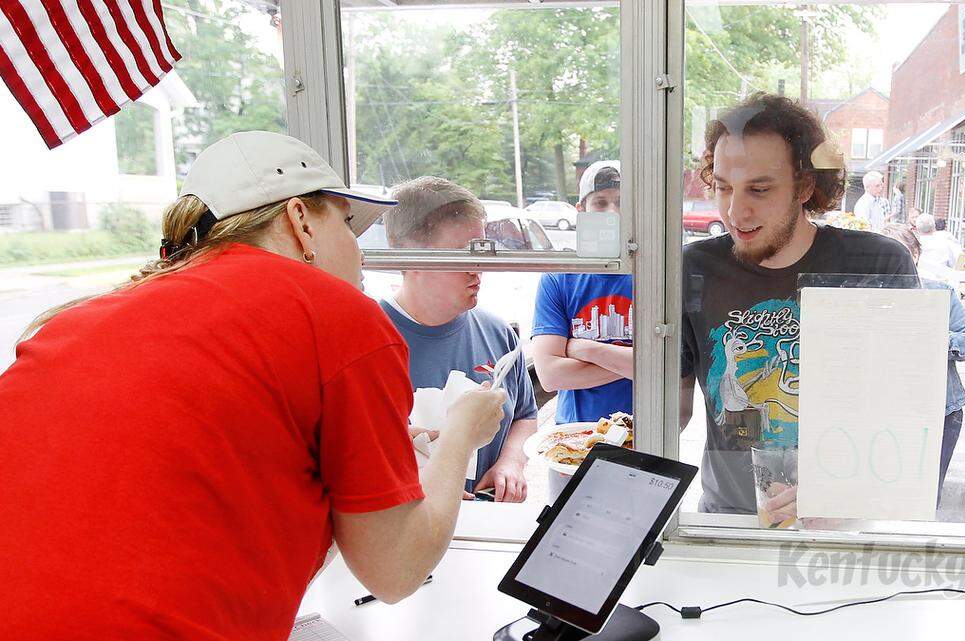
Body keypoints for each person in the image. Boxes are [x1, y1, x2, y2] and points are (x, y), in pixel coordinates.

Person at [0, 132, 508, 640]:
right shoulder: (336, 315)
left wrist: (362, 464)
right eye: (348, 226)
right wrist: (462, 434)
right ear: (300, 220)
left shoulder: (76, 321)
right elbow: (397, 572)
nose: (358, 254)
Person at [678, 92, 917, 516]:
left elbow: (905, 410)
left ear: (805, 186)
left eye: (759, 189)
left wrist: (836, 487)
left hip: (842, 517)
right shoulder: (694, 267)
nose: (735, 211)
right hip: (729, 521)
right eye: (723, 188)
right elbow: (672, 410)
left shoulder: (877, 264)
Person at [381, 176, 538, 503]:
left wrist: (511, 463)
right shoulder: (364, 339)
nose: (476, 268)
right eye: (458, 254)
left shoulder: (499, 334)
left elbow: (524, 415)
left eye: (479, 251)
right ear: (408, 257)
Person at [880, 224, 965, 505]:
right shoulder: (866, 297)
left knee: (925, 498)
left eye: (904, 254)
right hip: (883, 412)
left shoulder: (939, 293)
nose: (897, 263)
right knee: (882, 495)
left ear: (917, 255)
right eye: (888, 254)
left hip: (941, 411)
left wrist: (933, 338)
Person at [532, 160, 633, 425]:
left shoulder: (657, 277)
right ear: (582, 211)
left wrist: (586, 349)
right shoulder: (559, 278)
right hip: (574, 437)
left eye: (622, 202)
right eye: (600, 203)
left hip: (644, 438)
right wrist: (632, 364)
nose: (613, 212)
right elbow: (550, 376)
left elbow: (669, 367)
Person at [914, 213, 961, 280]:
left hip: (918, 283)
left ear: (917, 229)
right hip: (940, 284)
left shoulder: (913, 245)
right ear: (934, 228)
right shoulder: (945, 243)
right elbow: (954, 264)